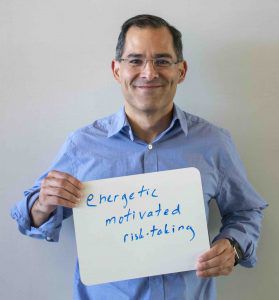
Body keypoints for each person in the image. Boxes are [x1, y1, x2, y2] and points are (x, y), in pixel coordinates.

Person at [11, 14, 267, 300]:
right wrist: (43, 203)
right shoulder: (83, 145)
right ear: (116, 69)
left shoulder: (213, 142)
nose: (149, 73)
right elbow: (27, 217)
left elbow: (246, 210)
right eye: (135, 60)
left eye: (162, 60)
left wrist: (233, 246)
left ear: (181, 71)